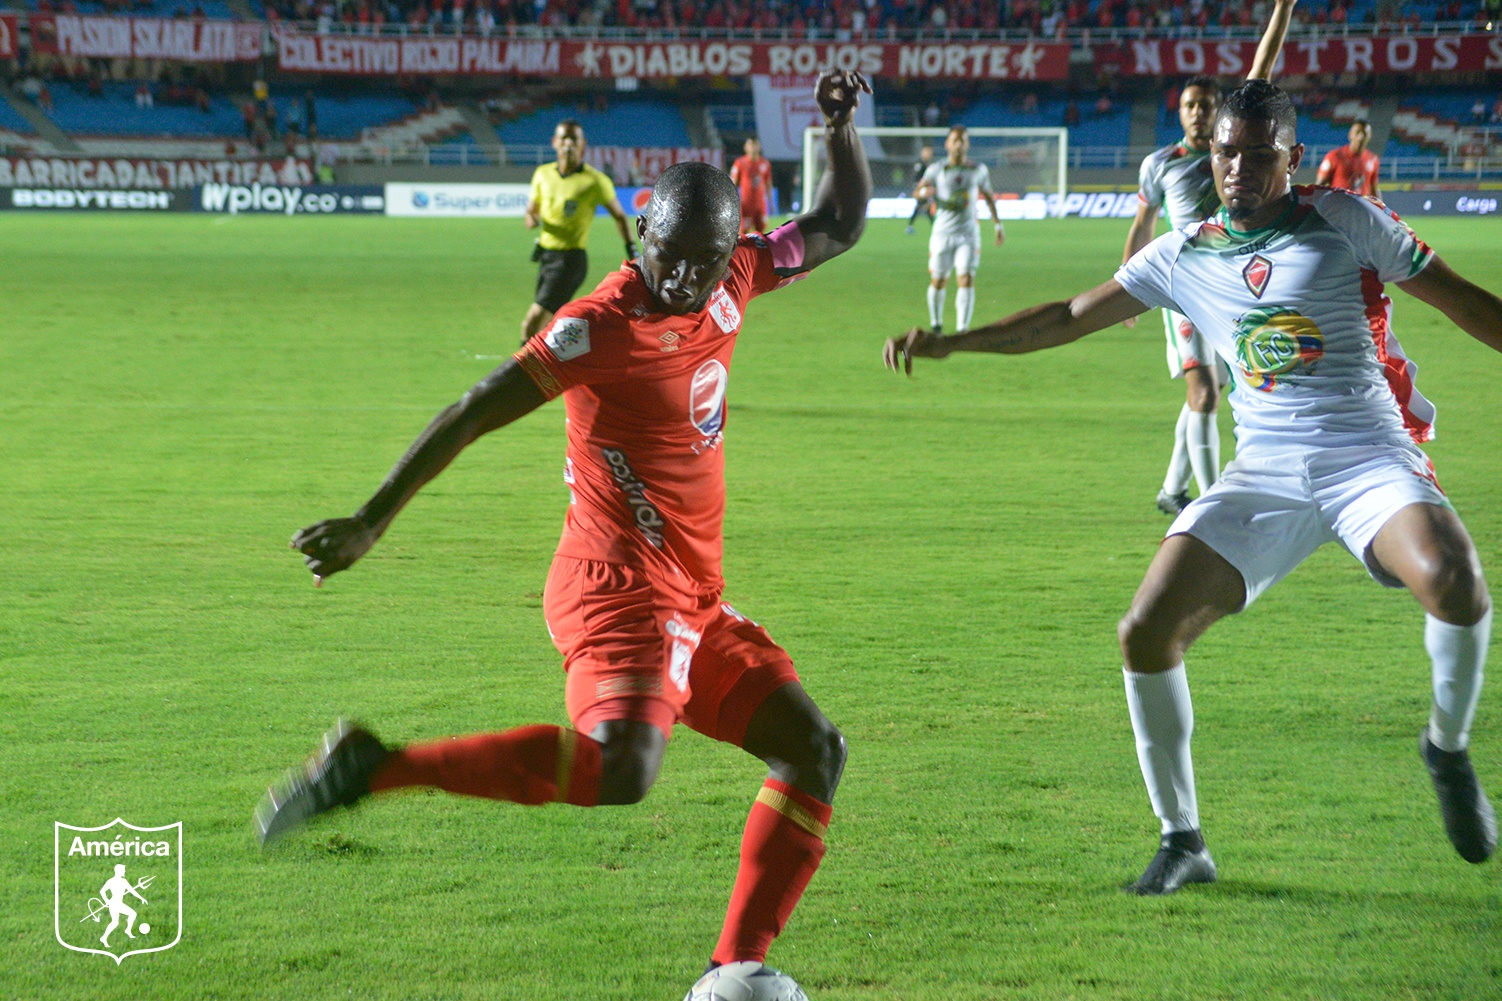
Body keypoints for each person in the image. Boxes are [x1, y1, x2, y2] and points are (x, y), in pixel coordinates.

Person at [259, 70, 873, 988]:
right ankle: (372, 767)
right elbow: (475, 408)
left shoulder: (736, 275)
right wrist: (371, 522)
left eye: (706, 261)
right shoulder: (600, 327)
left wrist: (840, 128)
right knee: (626, 768)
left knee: (815, 750)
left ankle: (731, 972)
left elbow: (836, 223)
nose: (689, 278)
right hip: (614, 584)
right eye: (672, 258)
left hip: (692, 594)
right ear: (643, 233)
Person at [886, 79, 1501, 895]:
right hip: (1266, 470)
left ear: (1293, 157)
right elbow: (1069, 315)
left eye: (1257, 154)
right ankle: (1184, 841)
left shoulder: (1347, 220)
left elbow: (1462, 303)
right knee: (1145, 630)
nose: (1237, 168)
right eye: (1224, 152)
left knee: (1456, 583)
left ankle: (1446, 748)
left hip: (1366, 455)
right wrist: (951, 342)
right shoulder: (1184, 251)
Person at [1122, 0, 1297, 517]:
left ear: (1219, 111)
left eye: (1207, 105)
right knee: (1204, 397)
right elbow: (1142, 226)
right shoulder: (1161, 164)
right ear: (1179, 113)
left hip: (1235, 288)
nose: (1199, 112)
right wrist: (1130, 289)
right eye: (1190, 105)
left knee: (1205, 395)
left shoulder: (1233, 150)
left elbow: (1262, 66)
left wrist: (1282, 8)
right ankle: (1212, 502)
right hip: (1184, 292)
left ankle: (1172, 490)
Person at [520, 120, 636, 347]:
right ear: (554, 143)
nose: (568, 144)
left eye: (574, 139)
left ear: (583, 145)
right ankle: (551, 370)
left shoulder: (595, 181)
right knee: (545, 325)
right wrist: (532, 219)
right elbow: (530, 214)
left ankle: (520, 371)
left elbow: (620, 216)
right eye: (563, 138)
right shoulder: (542, 174)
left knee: (531, 322)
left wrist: (631, 249)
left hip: (570, 261)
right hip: (546, 257)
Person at [914, 125, 1003, 335]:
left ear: (967, 144)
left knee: (966, 278)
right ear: (947, 144)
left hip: (968, 235)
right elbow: (917, 192)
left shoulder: (978, 170)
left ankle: (962, 330)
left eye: (962, 140)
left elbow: (989, 197)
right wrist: (926, 191)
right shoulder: (937, 169)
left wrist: (998, 225)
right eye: (955, 140)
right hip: (942, 234)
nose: (958, 144)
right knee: (938, 280)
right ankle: (936, 324)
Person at [1316, 117, 1381, 199]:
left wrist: (1382, 209)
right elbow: (1319, 186)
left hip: (1360, 209)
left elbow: (1374, 189)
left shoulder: (1373, 160)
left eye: (1364, 133)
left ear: (1369, 136)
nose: (1360, 137)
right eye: (1357, 132)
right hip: (1339, 207)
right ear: (1350, 135)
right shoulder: (1334, 156)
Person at [729, 136, 774, 235]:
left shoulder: (765, 163)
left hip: (760, 204)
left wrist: (771, 202)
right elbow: (733, 183)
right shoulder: (740, 163)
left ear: (759, 147)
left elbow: (768, 183)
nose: (753, 147)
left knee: (761, 233)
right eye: (750, 145)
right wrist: (731, 200)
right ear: (746, 147)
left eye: (755, 145)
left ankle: (758, 251)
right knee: (742, 233)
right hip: (746, 204)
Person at [905, 145, 935, 235]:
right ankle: (934, 226)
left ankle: (910, 226)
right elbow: (916, 177)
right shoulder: (920, 164)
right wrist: (917, 188)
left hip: (924, 188)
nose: (929, 155)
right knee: (925, 207)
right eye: (927, 152)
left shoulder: (927, 164)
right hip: (920, 188)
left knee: (922, 207)